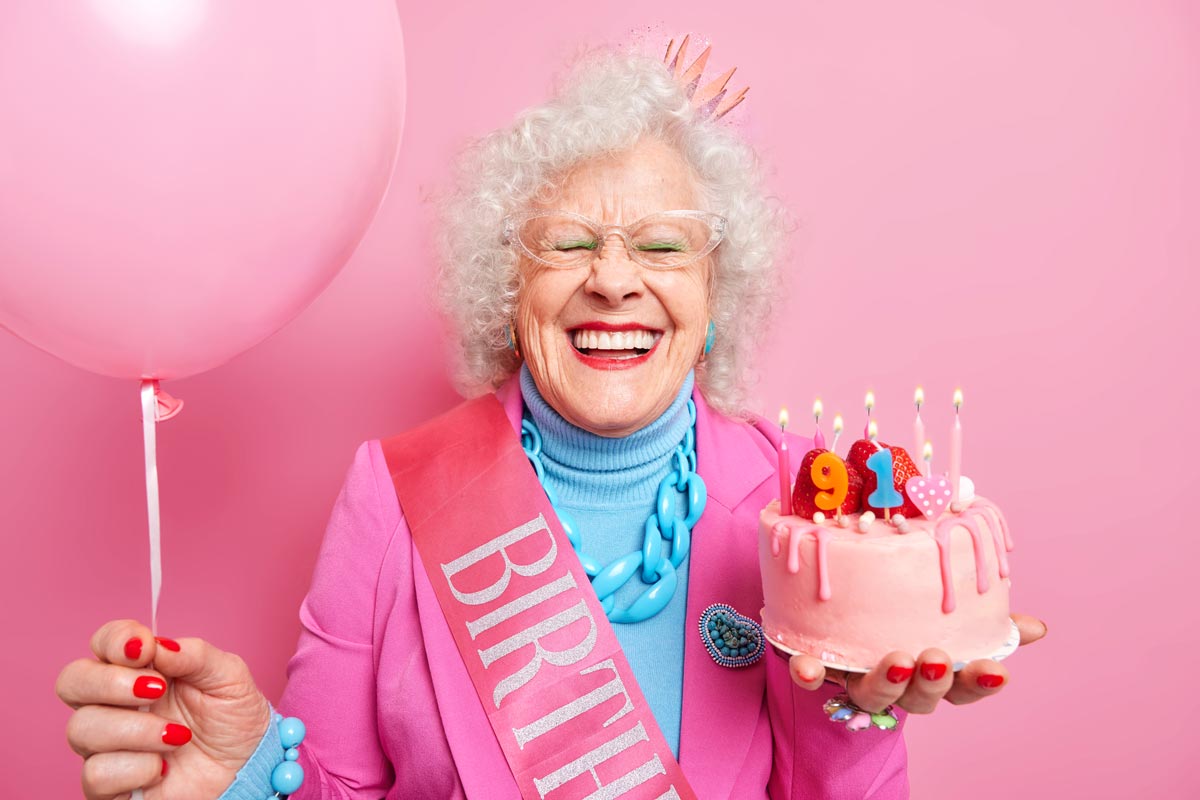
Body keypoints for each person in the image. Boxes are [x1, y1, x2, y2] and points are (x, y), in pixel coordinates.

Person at [55, 48, 1046, 799]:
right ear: (508, 286)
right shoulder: (392, 490)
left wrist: (859, 708)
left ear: (716, 291)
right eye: (568, 242)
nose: (613, 279)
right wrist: (245, 768)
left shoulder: (808, 508)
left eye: (661, 245)